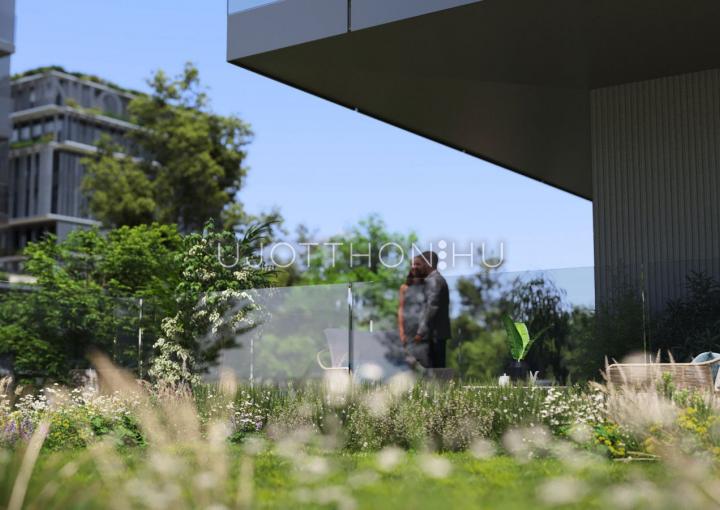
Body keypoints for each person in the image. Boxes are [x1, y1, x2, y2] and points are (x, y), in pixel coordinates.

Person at [413, 251, 450, 368]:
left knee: (431, 371)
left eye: (419, 264)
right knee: (437, 370)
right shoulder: (436, 279)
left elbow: (432, 306)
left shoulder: (433, 280)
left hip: (431, 335)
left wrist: (420, 332)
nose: (416, 268)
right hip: (434, 334)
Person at [397, 266, 429, 367]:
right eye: (413, 270)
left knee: (423, 355)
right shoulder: (404, 288)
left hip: (421, 325)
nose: (415, 272)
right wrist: (401, 329)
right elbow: (401, 308)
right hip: (408, 325)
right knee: (409, 356)